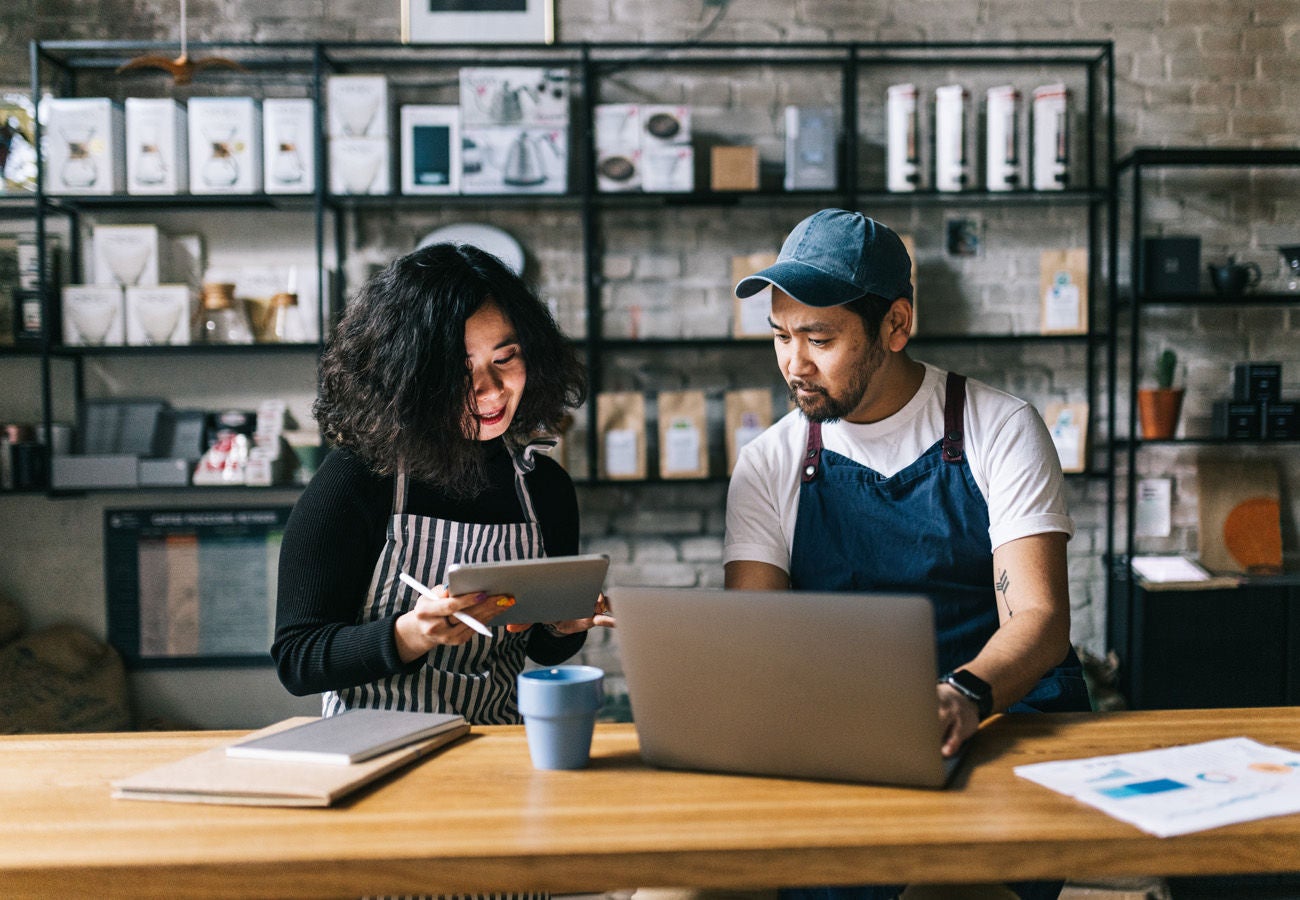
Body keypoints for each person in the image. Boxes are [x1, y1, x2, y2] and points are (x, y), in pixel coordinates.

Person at [725, 209, 1089, 900]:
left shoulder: (999, 428)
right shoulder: (768, 461)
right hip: (844, 736)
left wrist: (963, 696)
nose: (793, 364)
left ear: (895, 325)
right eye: (779, 335)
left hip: (997, 719)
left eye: (819, 338)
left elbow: (1040, 620)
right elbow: (758, 642)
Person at [272, 242, 611, 725]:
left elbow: (542, 650)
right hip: (371, 748)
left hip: (497, 747)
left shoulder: (544, 487)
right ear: (407, 376)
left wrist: (563, 625)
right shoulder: (357, 479)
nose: (491, 389)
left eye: (506, 357)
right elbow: (298, 659)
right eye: (459, 369)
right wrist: (411, 633)